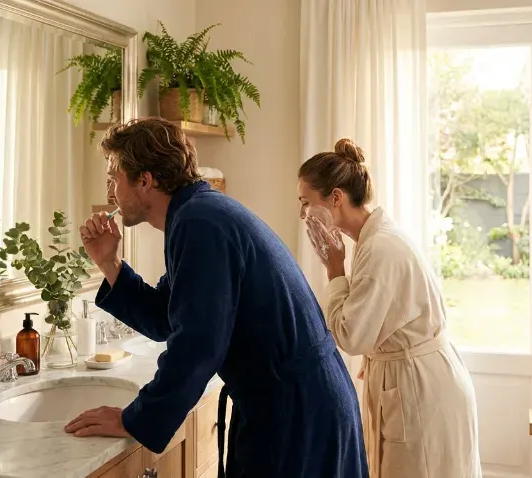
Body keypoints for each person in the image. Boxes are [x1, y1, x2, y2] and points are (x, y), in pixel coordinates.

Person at [64, 118, 369, 478]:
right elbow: (166, 317)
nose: (111, 193)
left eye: (114, 178)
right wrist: (109, 262)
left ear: (145, 180)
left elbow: (197, 346)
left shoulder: (200, 223)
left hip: (296, 414)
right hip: (295, 405)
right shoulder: (197, 214)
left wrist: (136, 420)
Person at [299, 138, 482, 478]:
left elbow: (351, 336)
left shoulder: (380, 247)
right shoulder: (374, 240)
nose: (304, 214)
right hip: (418, 379)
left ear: (335, 198)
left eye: (306, 202)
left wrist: (334, 268)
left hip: (422, 391)